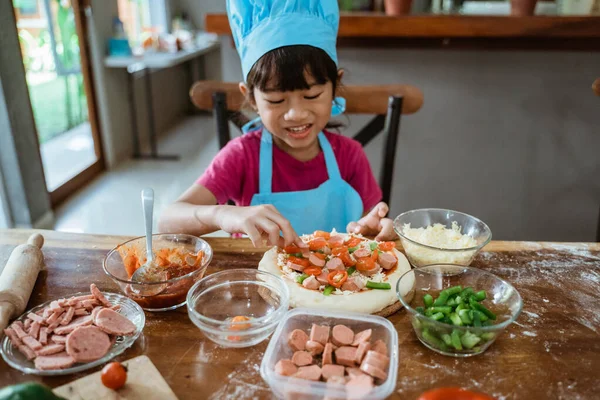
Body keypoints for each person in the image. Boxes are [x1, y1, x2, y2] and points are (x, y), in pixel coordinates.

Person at [158, 0, 397, 247]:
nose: (296, 114)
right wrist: (223, 214)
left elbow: (373, 222)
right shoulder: (242, 156)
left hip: (337, 283)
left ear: (335, 87)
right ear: (251, 97)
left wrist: (375, 228)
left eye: (312, 96)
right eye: (276, 100)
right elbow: (167, 221)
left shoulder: (350, 156)